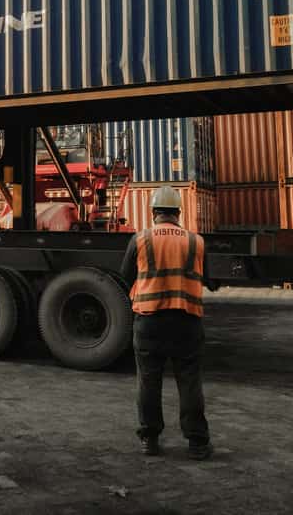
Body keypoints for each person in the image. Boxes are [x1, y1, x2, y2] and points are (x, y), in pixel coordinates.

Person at [120, 186, 212, 460]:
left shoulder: (140, 239)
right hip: (187, 322)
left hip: (149, 322)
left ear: (153, 212)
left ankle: (150, 440)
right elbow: (207, 279)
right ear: (178, 212)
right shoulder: (196, 242)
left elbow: (125, 276)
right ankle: (197, 443)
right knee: (190, 382)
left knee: (148, 382)